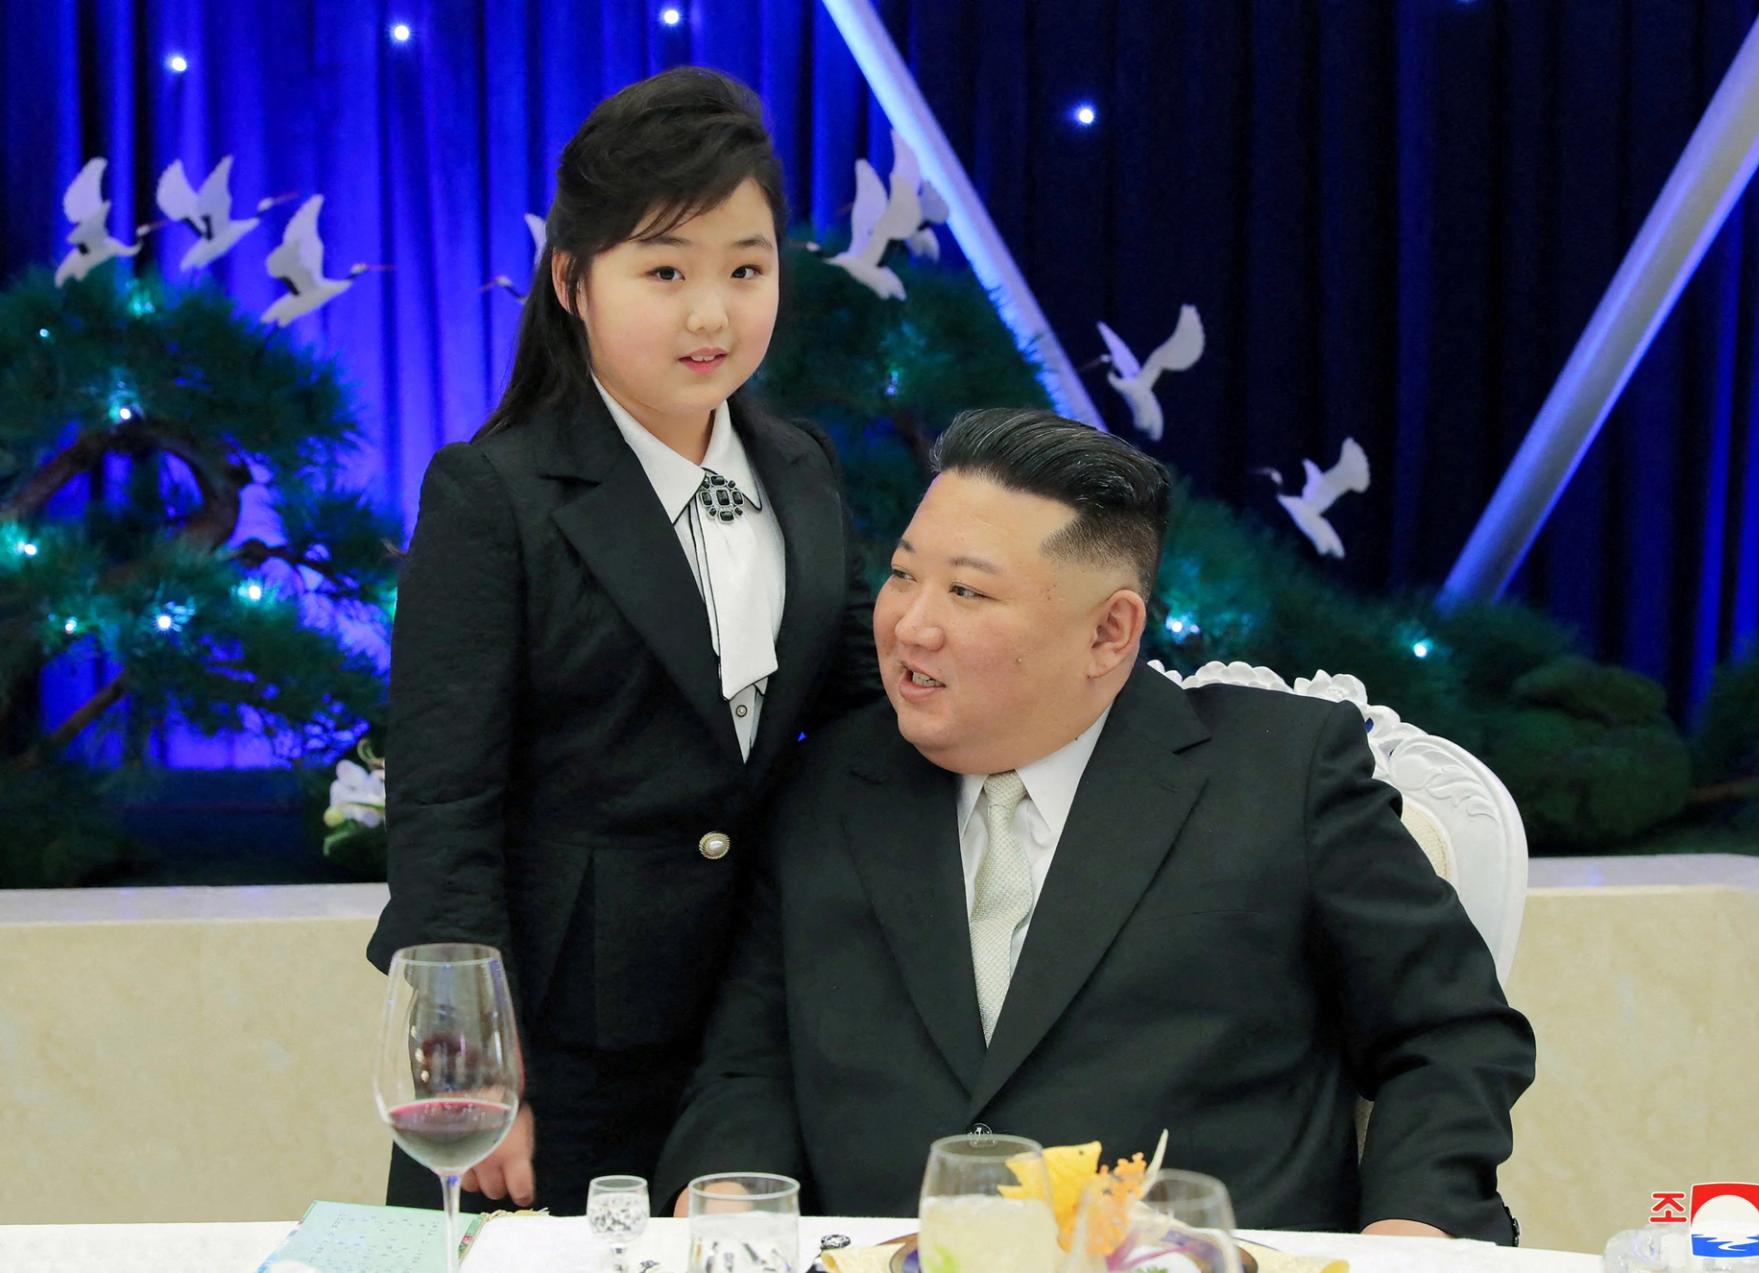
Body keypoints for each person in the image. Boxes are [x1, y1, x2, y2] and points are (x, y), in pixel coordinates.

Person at [654, 407, 1534, 1242]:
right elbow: (751, 1060)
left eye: (967, 590)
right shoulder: (830, 782)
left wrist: (1411, 1232)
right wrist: (729, 1198)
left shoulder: (1280, 775)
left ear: (1111, 632)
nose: (910, 624)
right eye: (902, 573)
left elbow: (1448, 1032)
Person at [366, 67, 879, 1216]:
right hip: (554, 1052)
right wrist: (476, 1078)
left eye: (746, 269)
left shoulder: (801, 467)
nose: (714, 313)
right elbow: (443, 805)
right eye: (665, 270)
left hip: (755, 1038)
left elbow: (855, 728)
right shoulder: (491, 493)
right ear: (572, 282)